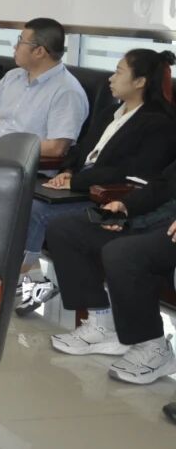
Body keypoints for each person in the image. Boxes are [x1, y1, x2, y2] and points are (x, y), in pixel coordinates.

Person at [16, 49, 176, 315]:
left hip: (107, 196)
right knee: (19, 199)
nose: (111, 78)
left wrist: (77, 181)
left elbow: (132, 172)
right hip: (79, 186)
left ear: (140, 81)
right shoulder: (110, 113)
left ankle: (26, 281)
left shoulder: (159, 123)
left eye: (119, 72)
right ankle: (28, 280)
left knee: (39, 211)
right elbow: (83, 151)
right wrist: (68, 171)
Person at [45, 159, 176, 384]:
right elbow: (164, 184)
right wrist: (125, 206)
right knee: (65, 229)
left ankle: (154, 347)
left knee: (122, 253)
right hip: (156, 219)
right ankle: (102, 324)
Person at [0, 17, 89, 161]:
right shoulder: (12, 76)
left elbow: (56, 148)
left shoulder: (67, 91)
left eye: (20, 41)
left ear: (39, 51)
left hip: (20, 163)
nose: (15, 47)